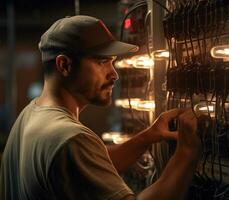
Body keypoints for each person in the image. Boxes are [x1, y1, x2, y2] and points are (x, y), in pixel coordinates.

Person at [0, 15, 206, 200]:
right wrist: (186, 153)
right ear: (64, 65)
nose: (114, 74)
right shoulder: (69, 138)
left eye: (113, 62)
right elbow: (78, 155)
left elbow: (87, 166)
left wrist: (147, 137)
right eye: (102, 62)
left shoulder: (30, 116)